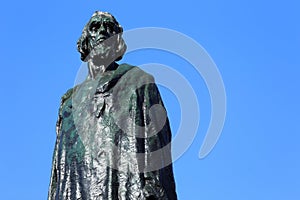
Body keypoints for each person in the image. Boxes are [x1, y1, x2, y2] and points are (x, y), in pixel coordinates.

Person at [48, 11, 177, 200]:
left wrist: (152, 191)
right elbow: (57, 174)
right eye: (95, 27)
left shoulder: (138, 82)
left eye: (109, 29)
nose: (102, 32)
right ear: (85, 42)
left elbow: (157, 148)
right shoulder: (68, 103)